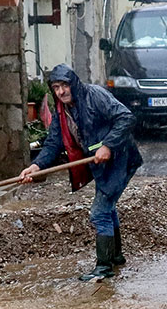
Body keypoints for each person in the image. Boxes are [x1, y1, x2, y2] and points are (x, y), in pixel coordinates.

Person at [20, 64, 143, 281]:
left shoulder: (95, 96)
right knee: (108, 207)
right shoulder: (61, 110)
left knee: (99, 212)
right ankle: (115, 257)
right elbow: (53, 143)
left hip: (120, 159)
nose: (61, 92)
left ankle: (103, 268)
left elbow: (126, 117)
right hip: (100, 164)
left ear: (74, 83)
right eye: (56, 87)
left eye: (64, 85)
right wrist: (36, 166)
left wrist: (108, 146)